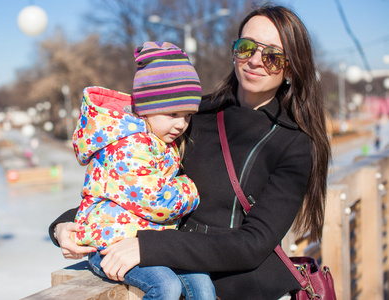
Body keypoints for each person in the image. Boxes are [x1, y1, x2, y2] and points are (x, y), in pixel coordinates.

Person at [50, 5, 331, 300]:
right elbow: (131, 181)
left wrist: (148, 247)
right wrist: (63, 226)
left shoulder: (294, 144)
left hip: (241, 288)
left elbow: (252, 244)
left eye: (273, 56)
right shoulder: (189, 116)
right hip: (175, 277)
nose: (256, 61)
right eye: (247, 47)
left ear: (290, 68)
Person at [56, 41, 216, 299]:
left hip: (145, 240)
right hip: (109, 243)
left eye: (187, 115)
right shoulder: (130, 145)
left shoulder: (158, 139)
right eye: (173, 113)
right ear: (146, 109)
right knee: (166, 286)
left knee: (201, 284)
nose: (181, 124)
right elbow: (156, 200)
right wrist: (189, 188)